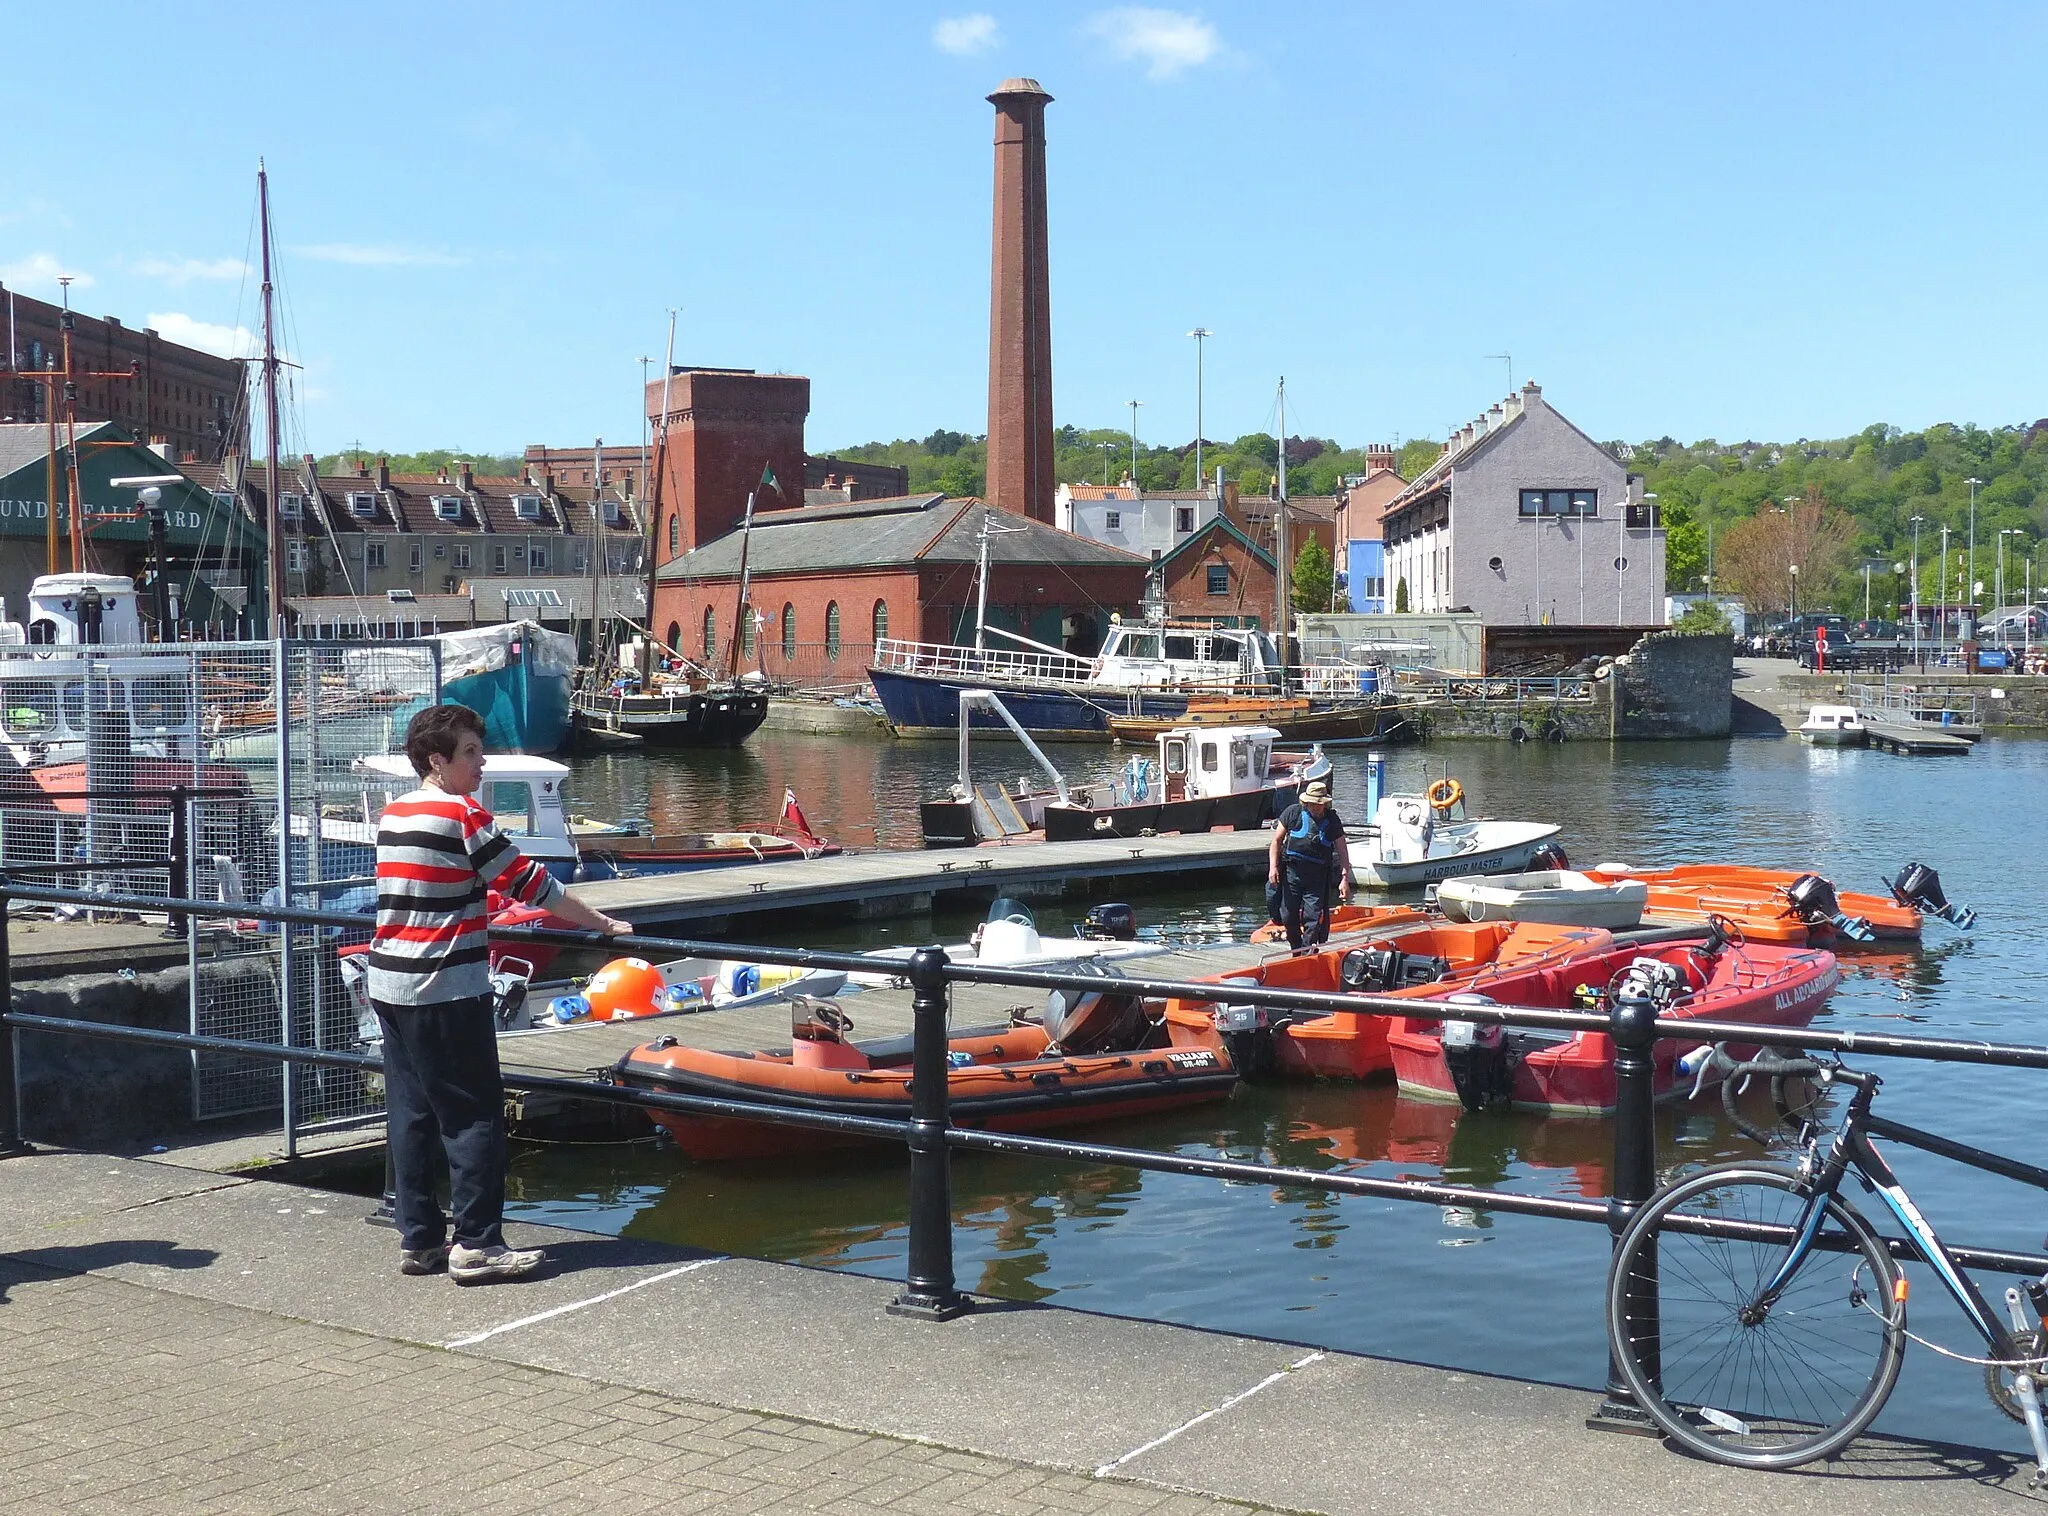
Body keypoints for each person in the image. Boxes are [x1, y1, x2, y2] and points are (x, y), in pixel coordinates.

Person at [369, 704, 630, 1284]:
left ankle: (420, 1240)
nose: (481, 761)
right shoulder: (462, 815)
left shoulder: (393, 813)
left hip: (389, 980)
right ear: (437, 761)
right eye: (470, 752)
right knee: (474, 1114)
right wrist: (604, 924)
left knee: (411, 1114)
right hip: (445, 984)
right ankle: (479, 1244)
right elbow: (535, 884)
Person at [1267, 780, 1353, 952]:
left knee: (1312, 918)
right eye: (1312, 803)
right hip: (1292, 872)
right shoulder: (1293, 813)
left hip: (1317, 876)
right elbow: (1276, 841)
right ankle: (1296, 949)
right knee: (1288, 915)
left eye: (1319, 804)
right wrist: (1273, 867)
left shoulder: (1332, 820)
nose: (1315, 807)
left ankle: (1306, 953)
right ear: (1306, 802)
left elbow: (1342, 850)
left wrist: (1344, 878)